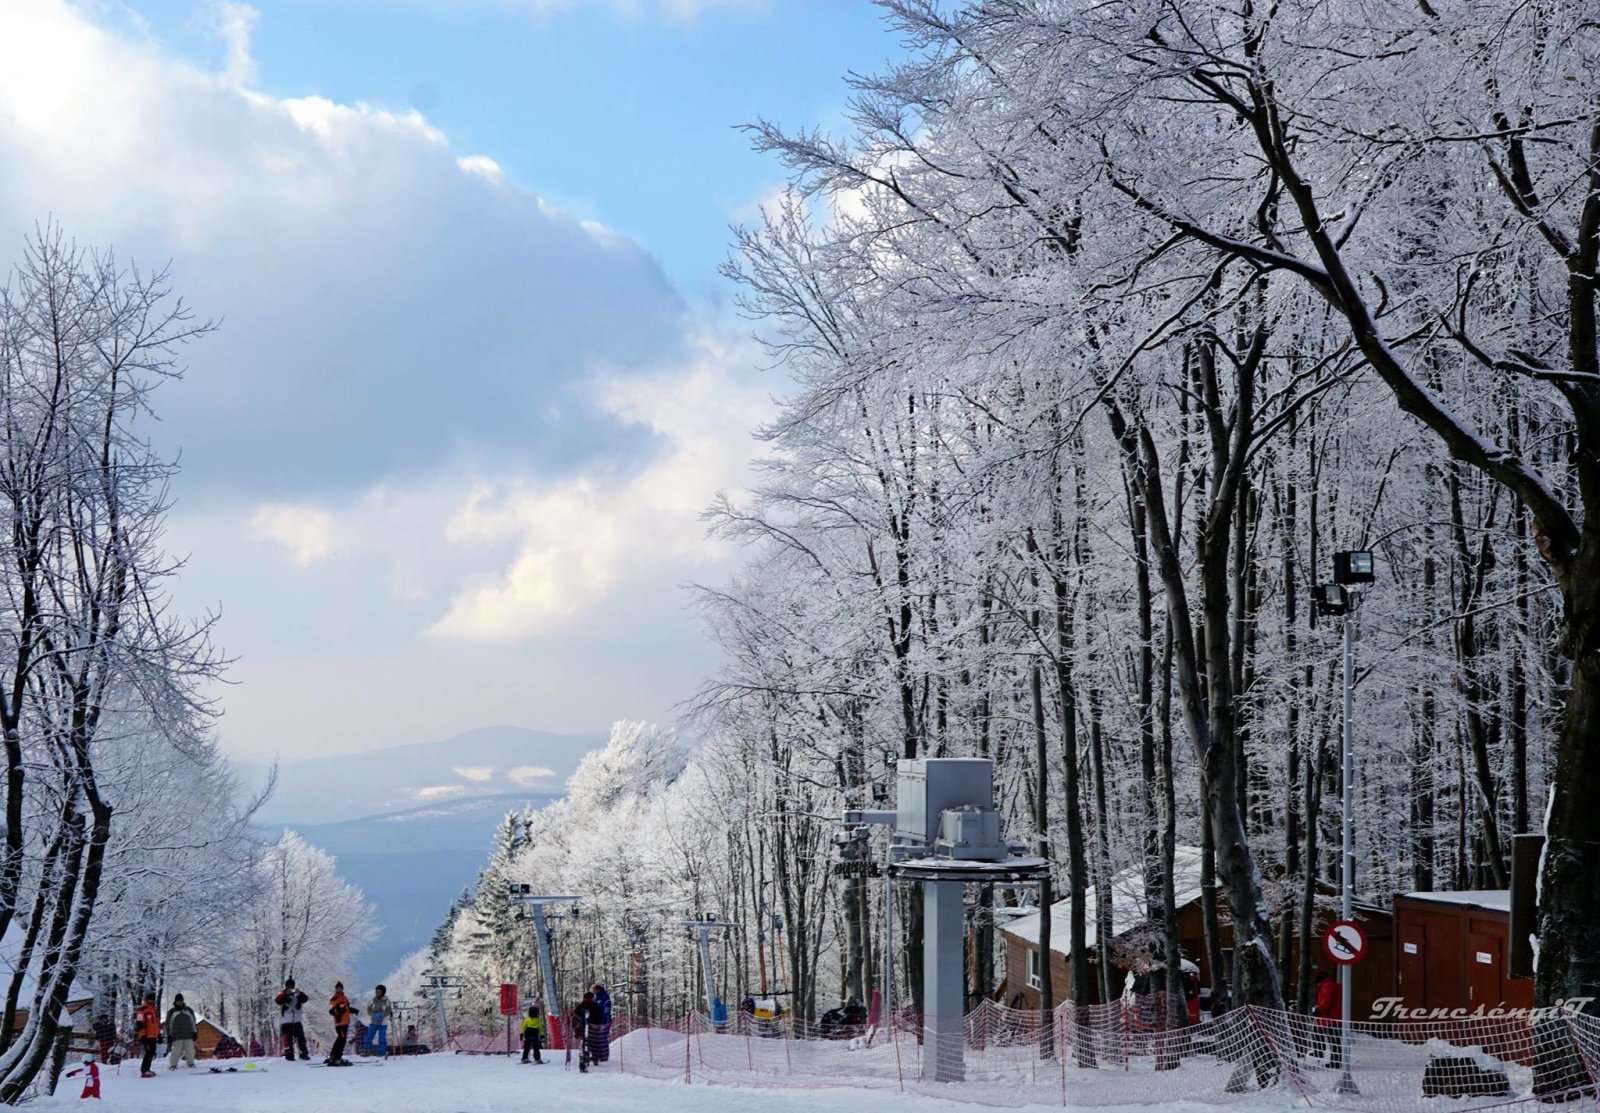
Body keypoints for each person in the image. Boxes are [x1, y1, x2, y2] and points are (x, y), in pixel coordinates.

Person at [274, 977, 310, 1061]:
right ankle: (289, 1054)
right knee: (287, 1038)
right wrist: (286, 994)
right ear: (286, 987)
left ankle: (303, 1053)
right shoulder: (283, 994)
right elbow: (278, 1001)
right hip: (286, 1020)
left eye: (292, 986)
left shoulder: (297, 994)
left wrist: (299, 993)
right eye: (288, 986)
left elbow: (305, 999)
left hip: (297, 1020)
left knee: (301, 1038)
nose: (290, 988)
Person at [1313, 970, 1343, 1069]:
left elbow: (1326, 1001)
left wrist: (1319, 1010)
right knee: (1334, 1040)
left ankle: (1322, 1053)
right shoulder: (1333, 985)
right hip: (1334, 1017)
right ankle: (1332, 1058)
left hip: (1329, 1018)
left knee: (1329, 1038)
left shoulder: (1327, 986)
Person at [165, 993, 198, 1070]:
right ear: (175, 1001)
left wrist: (195, 1032)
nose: (180, 1002)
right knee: (176, 1051)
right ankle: (173, 1065)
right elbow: (168, 1024)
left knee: (190, 1051)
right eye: (178, 1001)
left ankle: (190, 1063)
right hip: (177, 1035)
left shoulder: (189, 1010)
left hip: (188, 1034)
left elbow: (193, 1021)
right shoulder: (171, 1011)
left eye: (181, 1000)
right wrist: (169, 1034)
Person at [326, 981, 354, 1066]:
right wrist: (338, 1010)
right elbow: (331, 1011)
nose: (339, 990)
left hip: (345, 1022)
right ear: (335, 989)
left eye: (340, 988)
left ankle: (333, 1056)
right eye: (337, 988)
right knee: (341, 1040)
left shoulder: (344, 998)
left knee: (341, 1039)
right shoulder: (335, 999)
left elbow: (346, 1008)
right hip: (339, 1023)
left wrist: (353, 1010)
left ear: (342, 989)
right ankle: (337, 1058)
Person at [133, 994, 160, 1079]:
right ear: (146, 1000)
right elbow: (139, 1024)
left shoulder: (154, 1010)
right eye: (150, 999)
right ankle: (144, 1070)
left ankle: (148, 1069)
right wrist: (142, 1035)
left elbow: (157, 1024)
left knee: (152, 1053)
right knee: (148, 1053)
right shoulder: (142, 1010)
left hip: (153, 1036)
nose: (152, 1001)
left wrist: (159, 1034)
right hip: (147, 1036)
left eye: (153, 999)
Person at [365, 984, 392, 1057]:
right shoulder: (372, 1000)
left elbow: (388, 1010)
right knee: (368, 1036)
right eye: (376, 991)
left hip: (383, 1022)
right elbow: (368, 1010)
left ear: (383, 992)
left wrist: (382, 1015)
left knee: (382, 1038)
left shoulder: (386, 1000)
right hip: (373, 1021)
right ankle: (367, 1051)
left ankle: (381, 1052)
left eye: (379, 991)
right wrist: (374, 1015)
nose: (377, 992)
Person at [590, 982, 612, 1063]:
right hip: (597, 1021)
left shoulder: (605, 997)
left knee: (602, 1038)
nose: (593, 992)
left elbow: (607, 1009)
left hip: (605, 1021)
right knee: (596, 1039)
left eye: (594, 990)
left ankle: (604, 1056)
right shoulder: (596, 997)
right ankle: (597, 1055)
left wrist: (605, 1021)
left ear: (598, 989)